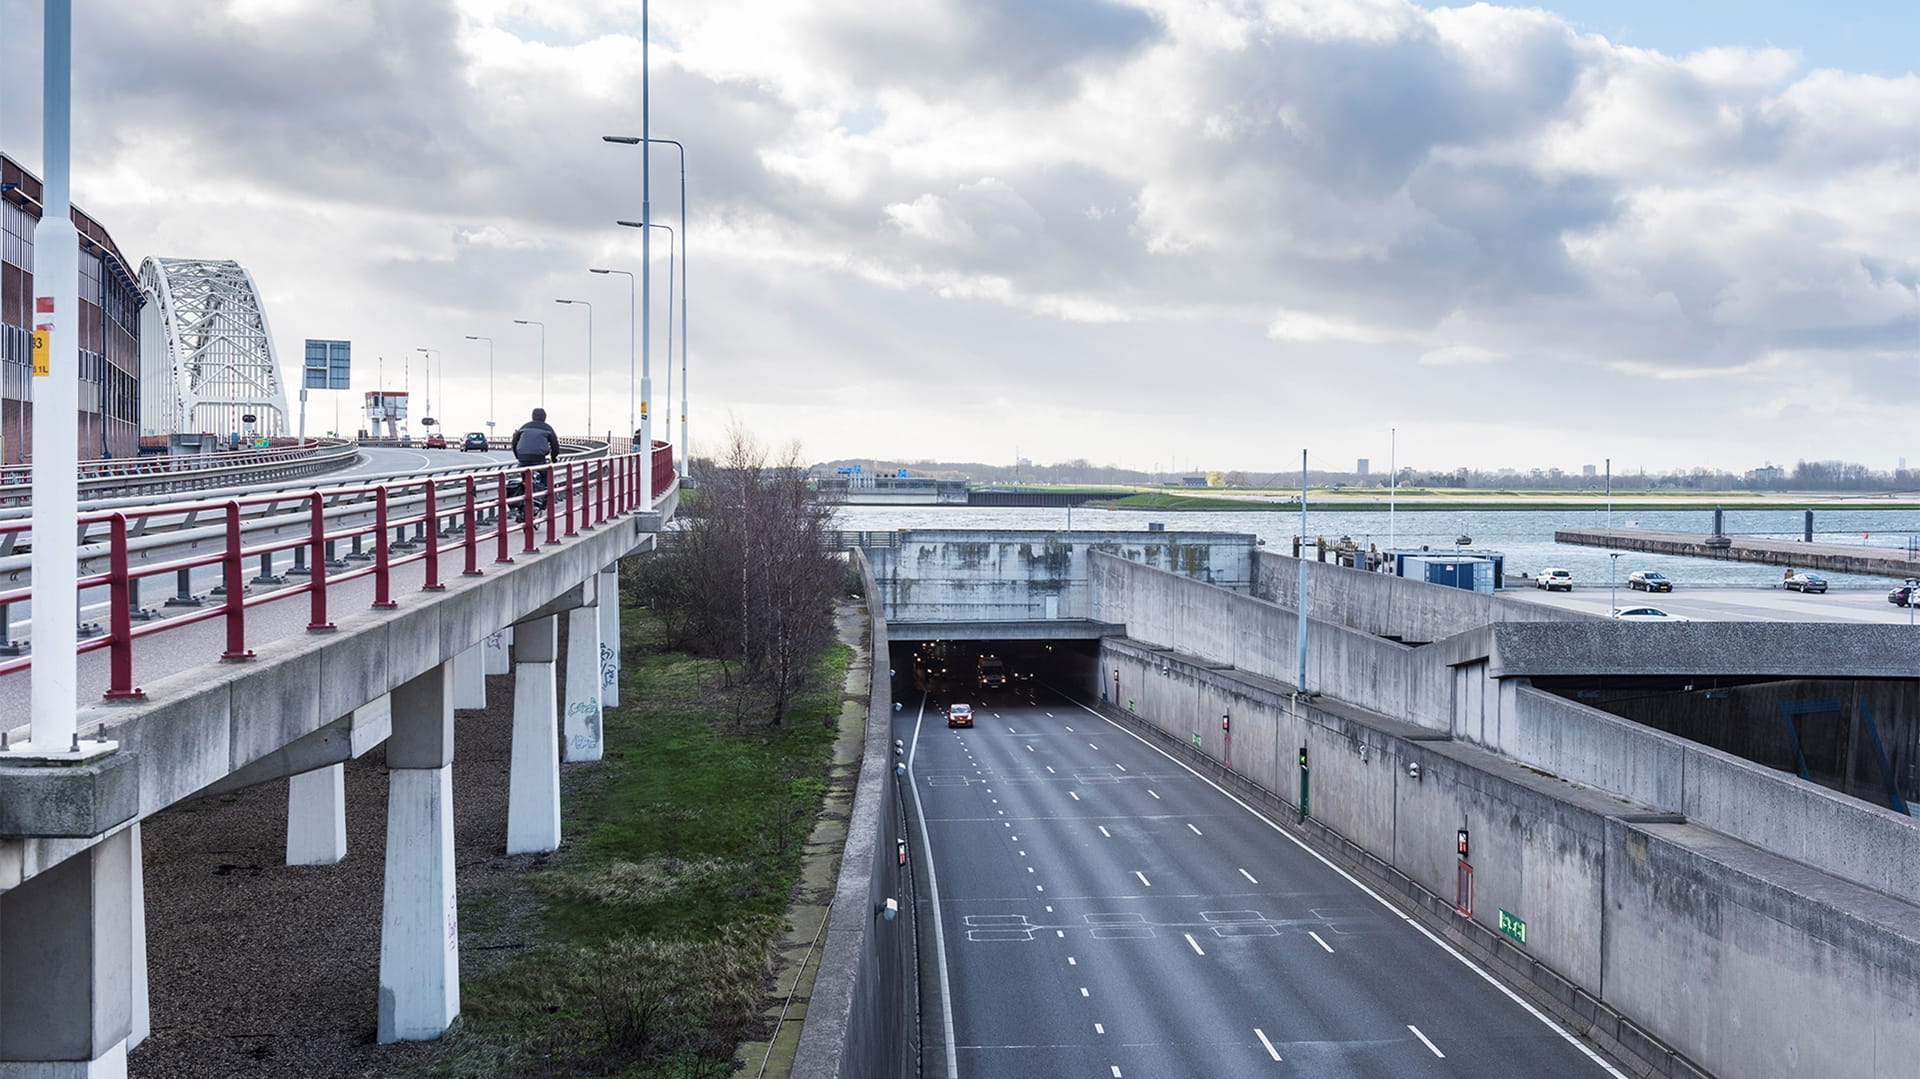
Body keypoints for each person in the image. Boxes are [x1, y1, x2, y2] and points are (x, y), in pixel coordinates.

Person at [508, 408, 560, 518]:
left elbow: (514, 442)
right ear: (545, 418)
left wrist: (518, 456)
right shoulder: (547, 428)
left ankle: (521, 505)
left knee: (524, 479)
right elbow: (555, 445)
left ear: (532, 416)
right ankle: (542, 500)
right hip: (539, 458)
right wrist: (554, 458)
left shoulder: (524, 426)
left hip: (523, 458)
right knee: (546, 476)